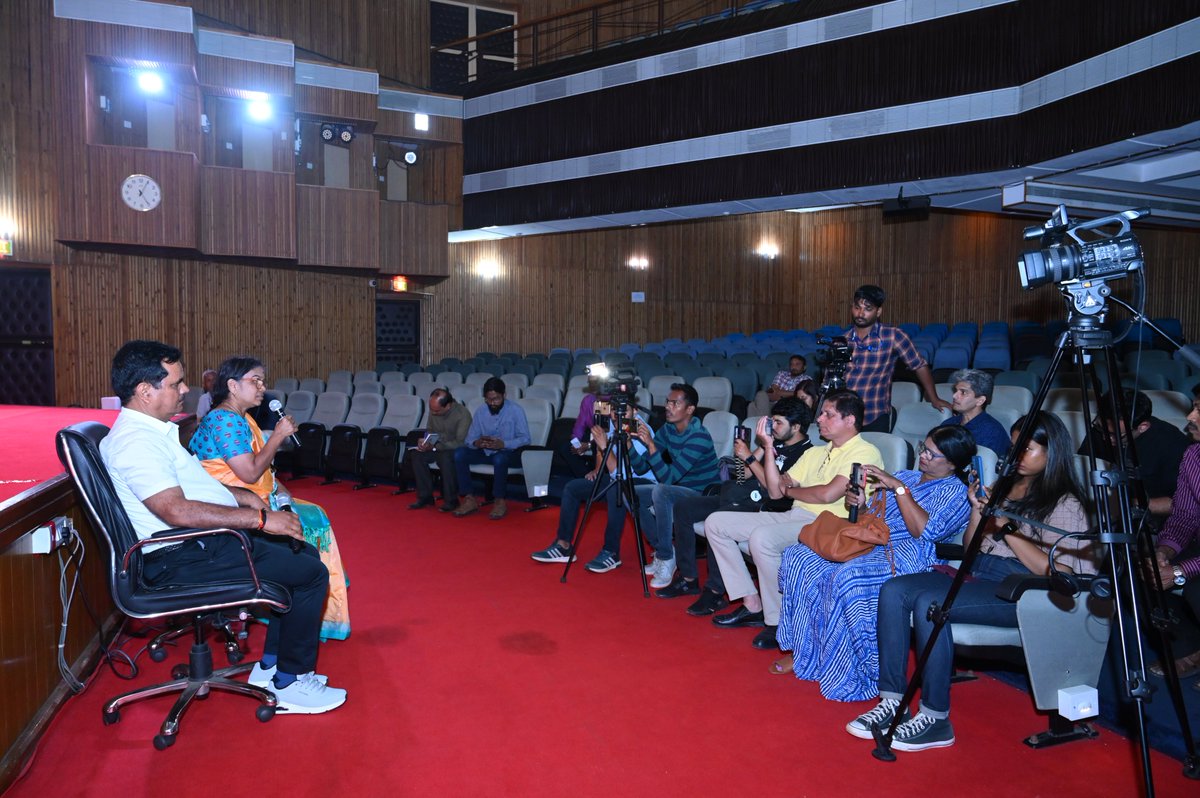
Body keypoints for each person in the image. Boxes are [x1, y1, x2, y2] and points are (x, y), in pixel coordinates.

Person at [100, 340, 346, 714]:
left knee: (303, 555)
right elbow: (176, 510)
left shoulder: (152, 431)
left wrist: (241, 496)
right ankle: (292, 683)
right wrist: (260, 518)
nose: (186, 390)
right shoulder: (136, 442)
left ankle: (270, 668)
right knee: (310, 571)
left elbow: (194, 488)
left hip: (196, 545)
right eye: (176, 383)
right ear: (145, 391)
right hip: (181, 555)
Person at [847, 411, 1097, 751]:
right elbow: (970, 549)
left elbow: (1062, 577)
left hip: (1027, 591)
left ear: (1052, 453)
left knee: (929, 604)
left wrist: (1006, 527)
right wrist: (978, 511)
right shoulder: (1007, 488)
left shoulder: (1064, 503)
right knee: (893, 590)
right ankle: (894, 701)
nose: (1015, 456)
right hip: (981, 574)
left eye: (1028, 449)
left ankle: (936, 719)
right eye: (1014, 448)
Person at [772, 426, 975, 700]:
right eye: (924, 448)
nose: (924, 456)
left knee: (847, 576)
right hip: (870, 541)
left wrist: (899, 489)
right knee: (799, 557)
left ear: (953, 463)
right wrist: (862, 503)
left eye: (933, 454)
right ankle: (806, 652)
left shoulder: (956, 493)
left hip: (907, 554)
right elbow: (872, 518)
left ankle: (849, 669)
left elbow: (924, 532)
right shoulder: (907, 476)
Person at [705, 390, 884, 649]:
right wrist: (767, 447)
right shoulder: (816, 453)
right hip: (795, 516)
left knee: (762, 538)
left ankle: (777, 621)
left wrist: (790, 489)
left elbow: (827, 494)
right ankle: (752, 603)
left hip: (829, 524)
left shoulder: (866, 452)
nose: (820, 419)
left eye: (828, 414)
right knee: (716, 523)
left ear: (850, 420)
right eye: (821, 413)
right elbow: (776, 491)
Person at [189, 355, 351, 642]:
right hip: (234, 504)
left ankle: (290, 605)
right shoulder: (226, 421)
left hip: (250, 496)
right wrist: (278, 437)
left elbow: (260, 472)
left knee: (314, 512)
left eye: (263, 380)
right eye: (256, 380)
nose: (263, 387)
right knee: (313, 522)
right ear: (233, 386)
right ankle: (297, 603)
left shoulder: (239, 417)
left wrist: (278, 488)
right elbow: (249, 473)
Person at [656, 397, 812, 611]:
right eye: (772, 421)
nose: (772, 428)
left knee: (719, 518)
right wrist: (742, 454)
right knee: (684, 508)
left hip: (765, 506)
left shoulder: (805, 453)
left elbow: (773, 490)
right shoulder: (773, 442)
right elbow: (744, 474)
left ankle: (715, 591)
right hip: (741, 496)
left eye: (778, 423)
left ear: (796, 427)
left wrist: (750, 457)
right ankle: (689, 578)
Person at [529, 402, 657, 572]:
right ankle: (563, 545)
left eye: (624, 410)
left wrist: (604, 447)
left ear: (635, 410)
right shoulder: (614, 421)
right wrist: (597, 466)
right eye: (613, 410)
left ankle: (611, 552)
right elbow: (606, 456)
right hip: (618, 476)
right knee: (573, 488)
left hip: (642, 482)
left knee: (615, 489)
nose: (617, 414)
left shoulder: (640, 430)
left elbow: (620, 473)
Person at [626, 383, 721, 588]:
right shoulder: (668, 429)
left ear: (690, 409)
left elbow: (669, 479)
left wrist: (651, 445)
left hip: (703, 496)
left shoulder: (699, 437)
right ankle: (665, 549)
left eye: (675, 403)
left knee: (661, 491)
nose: (668, 407)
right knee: (629, 491)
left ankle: (666, 556)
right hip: (679, 491)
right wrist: (628, 446)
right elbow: (642, 467)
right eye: (667, 402)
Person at [1147, 387, 1200, 680]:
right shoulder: (1193, 455)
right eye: (1193, 407)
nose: (1190, 417)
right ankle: (1190, 647)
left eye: (1199, 410)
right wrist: (1164, 552)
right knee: (1139, 571)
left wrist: (1181, 571)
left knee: (1195, 588)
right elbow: (1184, 516)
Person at [843, 285, 949, 432]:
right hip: (844, 417)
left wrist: (934, 398)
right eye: (857, 307)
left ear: (878, 311)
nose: (860, 313)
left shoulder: (893, 336)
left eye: (868, 309)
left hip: (874, 415)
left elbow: (919, 365)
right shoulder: (844, 340)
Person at [1080, 388, 1189, 517]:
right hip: (1104, 509)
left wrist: (1135, 505)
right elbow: (1081, 469)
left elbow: (1185, 503)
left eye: (1114, 435)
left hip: (1152, 520)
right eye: (1100, 428)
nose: (1105, 438)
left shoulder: (1172, 443)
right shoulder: (1100, 432)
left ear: (1143, 427)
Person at [453, 377, 531, 520]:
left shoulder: (516, 410)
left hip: (509, 454)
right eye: (489, 400)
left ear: (504, 395)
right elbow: (469, 439)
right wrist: (477, 443)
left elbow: (525, 439)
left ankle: (499, 501)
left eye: (496, 399)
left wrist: (504, 444)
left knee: (500, 458)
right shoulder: (481, 411)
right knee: (459, 454)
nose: (492, 403)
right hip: (486, 452)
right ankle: (469, 499)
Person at [407, 388, 472, 512]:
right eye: (431, 409)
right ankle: (425, 497)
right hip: (437, 447)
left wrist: (436, 446)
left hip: (454, 449)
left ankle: (451, 500)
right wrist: (426, 443)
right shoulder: (434, 411)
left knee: (445, 458)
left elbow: (460, 442)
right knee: (417, 455)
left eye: (436, 410)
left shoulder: (462, 414)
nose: (433, 412)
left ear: (448, 406)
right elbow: (430, 431)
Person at [937, 368, 1010, 459]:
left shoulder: (992, 432)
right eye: (956, 391)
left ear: (980, 401)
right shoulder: (947, 424)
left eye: (963, 392)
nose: (954, 396)